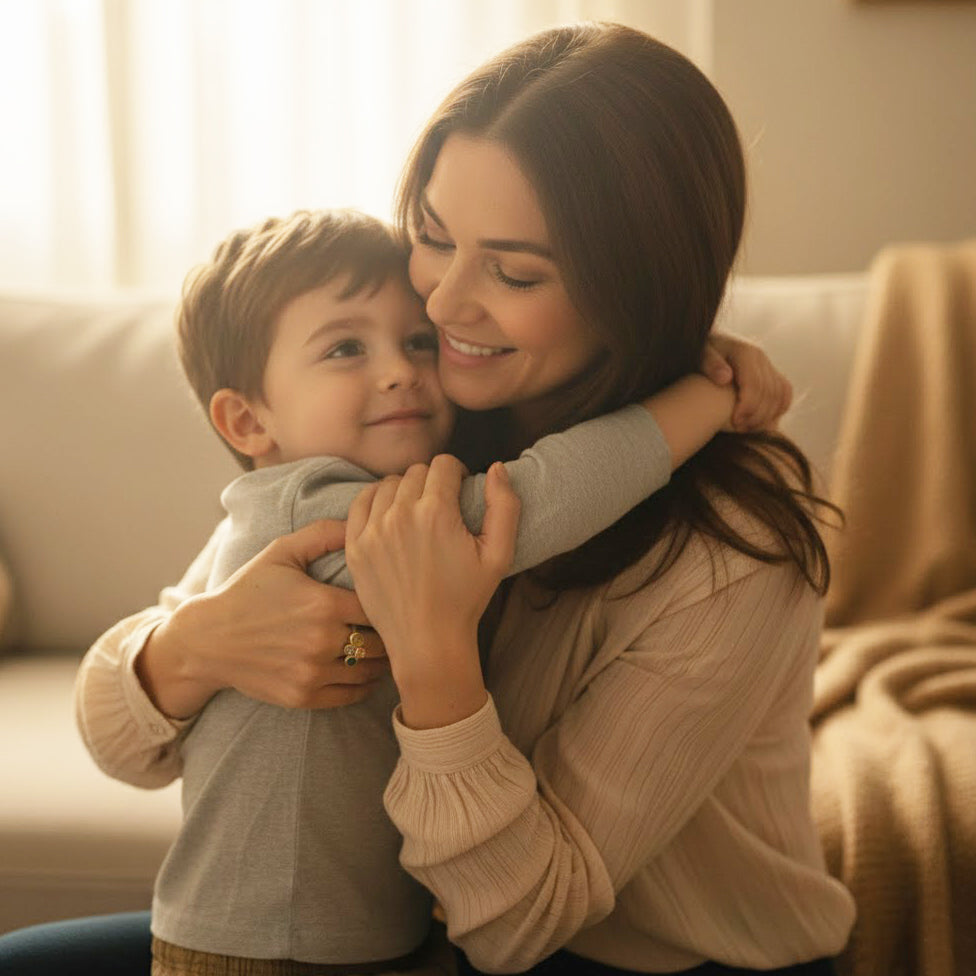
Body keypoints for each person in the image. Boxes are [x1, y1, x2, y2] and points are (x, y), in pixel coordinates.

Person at [0, 20, 847, 976]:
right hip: (415, 929)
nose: (441, 307)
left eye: (516, 271)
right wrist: (196, 646)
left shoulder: (733, 548)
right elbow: (123, 740)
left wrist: (436, 659)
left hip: (634, 958)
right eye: (435, 238)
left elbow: (520, 927)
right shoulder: (422, 419)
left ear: (638, 287)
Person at [142, 205, 752, 976]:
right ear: (246, 420)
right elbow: (540, 497)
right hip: (273, 947)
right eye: (344, 349)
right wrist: (707, 393)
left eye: (417, 341)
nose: (399, 369)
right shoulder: (322, 511)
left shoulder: (325, 492)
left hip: (336, 935)